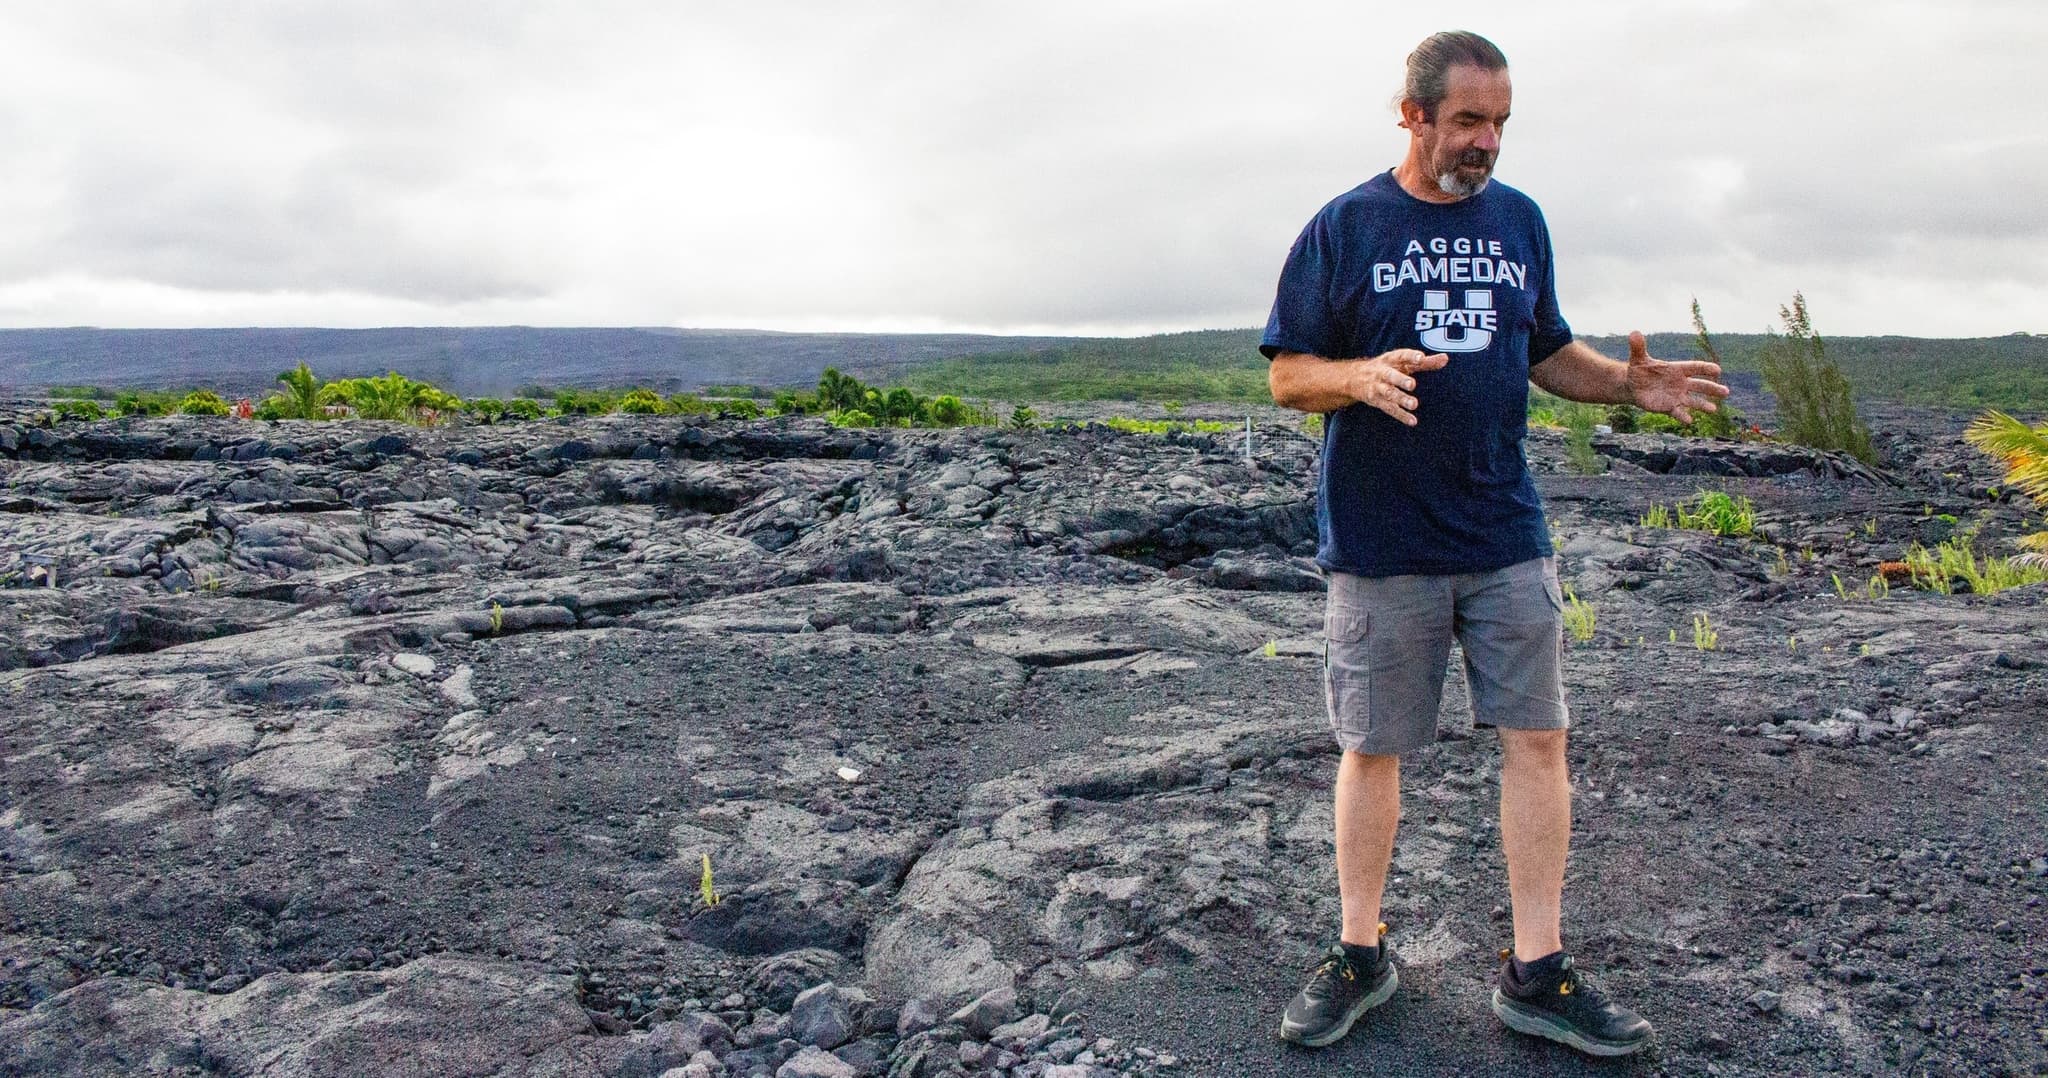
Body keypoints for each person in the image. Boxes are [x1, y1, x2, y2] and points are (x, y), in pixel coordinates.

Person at [1261, 29, 1729, 1058]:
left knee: (1537, 737)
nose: (1485, 144)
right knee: (1372, 745)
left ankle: (1536, 969)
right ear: (1411, 114)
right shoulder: (1343, 227)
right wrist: (1353, 377)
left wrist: (1624, 384)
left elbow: (1545, 351)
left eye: (1499, 124)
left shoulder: (1518, 221)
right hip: (1383, 543)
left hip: (1502, 529)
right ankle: (1357, 952)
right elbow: (1287, 372)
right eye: (1467, 121)